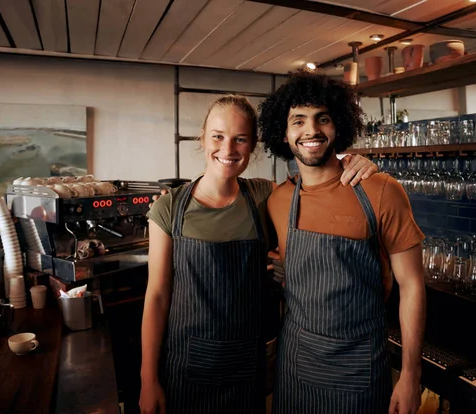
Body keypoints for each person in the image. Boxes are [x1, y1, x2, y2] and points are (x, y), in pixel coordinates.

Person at [139, 94, 377, 414]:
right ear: (202, 137)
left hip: (245, 366)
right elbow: (156, 297)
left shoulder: (265, 195)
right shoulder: (169, 208)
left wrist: (354, 159)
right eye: (218, 137)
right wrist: (148, 378)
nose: (228, 149)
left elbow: (317, 180)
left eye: (240, 139)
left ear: (253, 146)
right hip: (186, 366)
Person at [259, 71, 426, 414]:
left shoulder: (380, 190)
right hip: (295, 367)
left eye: (323, 118)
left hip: (359, 368)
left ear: (339, 125)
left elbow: (412, 286)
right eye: (298, 120)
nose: (311, 131)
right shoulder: (279, 199)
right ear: (284, 132)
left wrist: (410, 373)